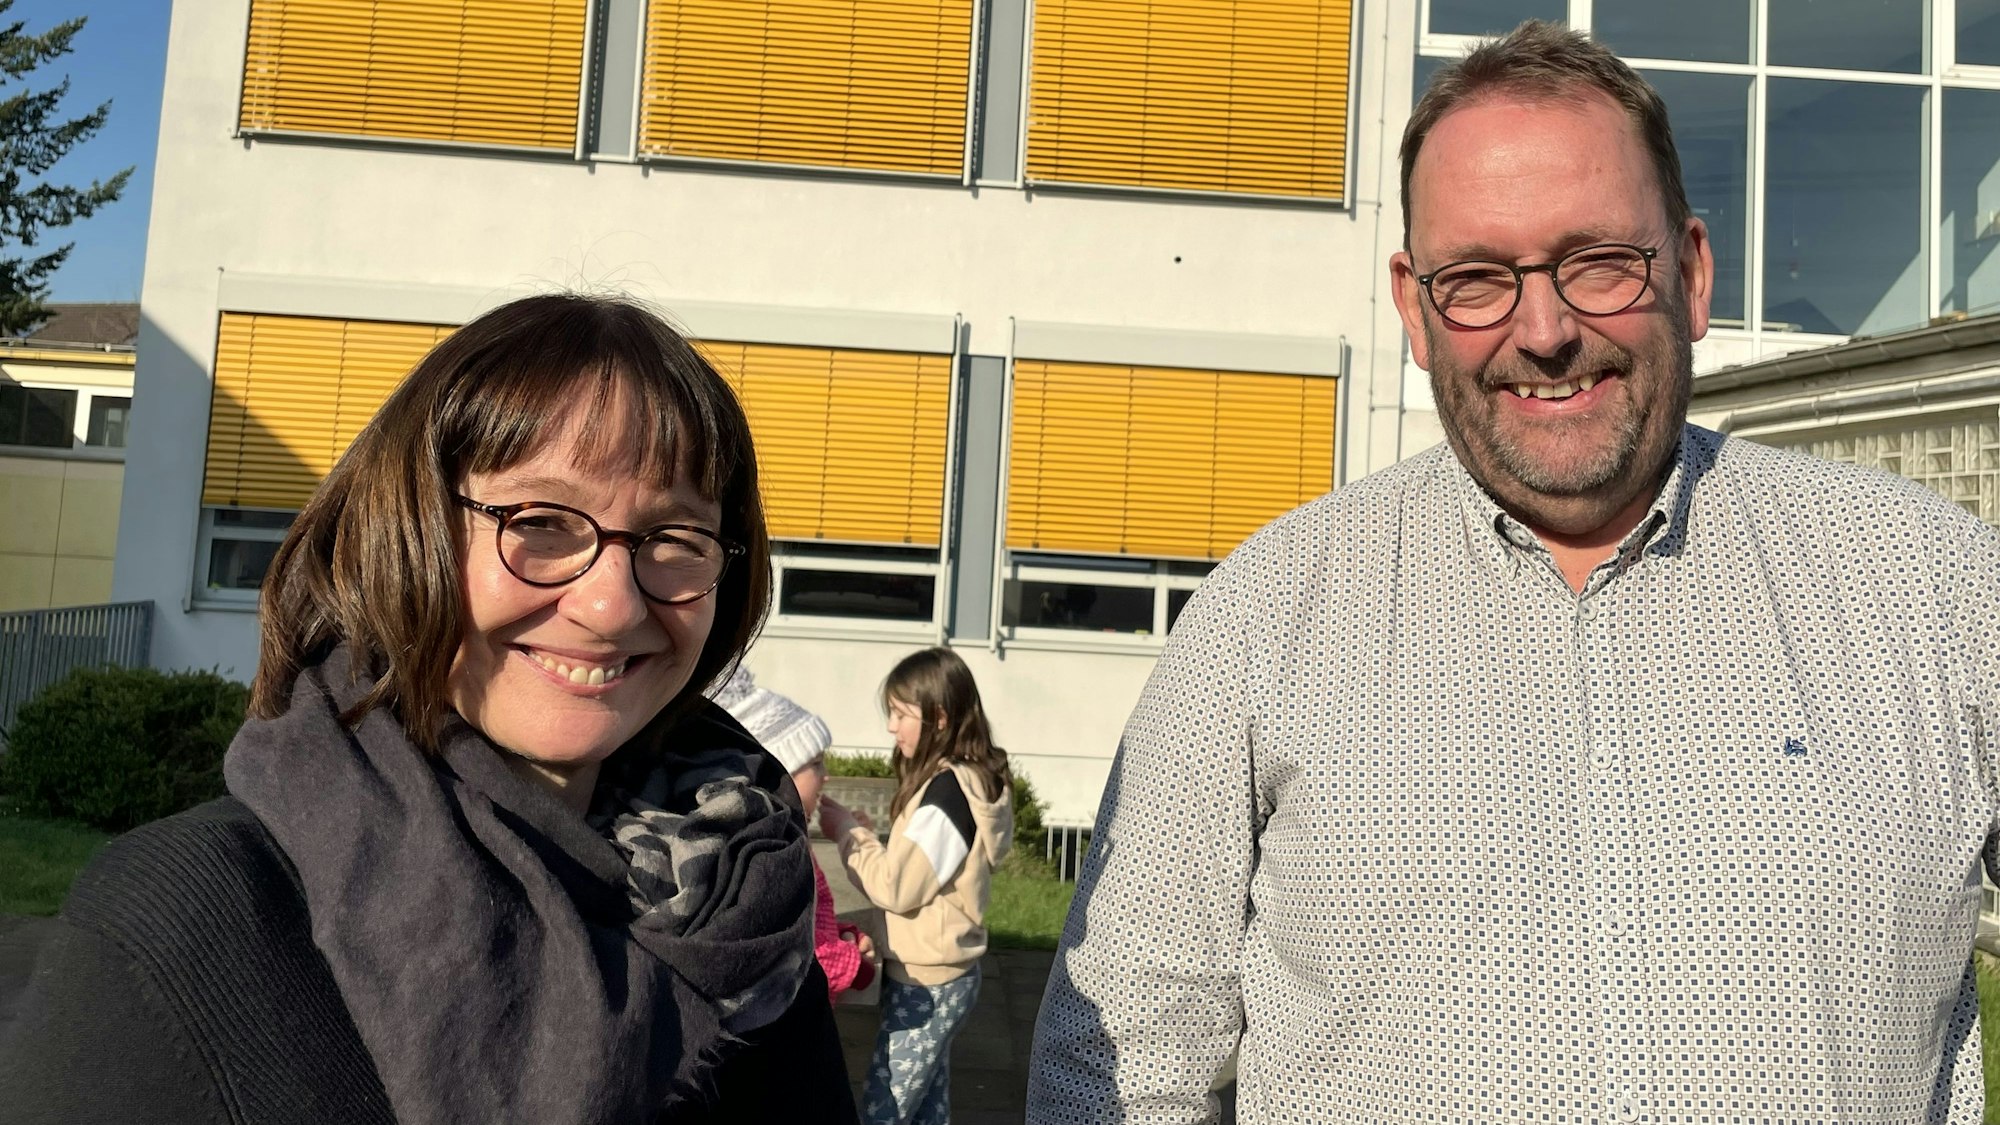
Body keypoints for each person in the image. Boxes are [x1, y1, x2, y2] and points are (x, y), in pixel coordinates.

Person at [1029, 21, 2000, 1125]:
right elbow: (1120, 1063)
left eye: (1595, 263)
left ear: (1687, 273)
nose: (1541, 330)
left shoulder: (1938, 589)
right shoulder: (1263, 617)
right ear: (1412, 305)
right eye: (1479, 279)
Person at [0, 294, 858, 1124]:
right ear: (404, 528)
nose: (613, 606)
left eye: (674, 538)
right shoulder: (188, 927)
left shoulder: (745, 890)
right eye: (543, 521)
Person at [819, 647, 1015, 1125]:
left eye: (901, 714)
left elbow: (897, 888)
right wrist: (872, 836)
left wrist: (848, 831)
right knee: (927, 1107)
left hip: (929, 983)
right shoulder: (955, 784)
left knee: (884, 1110)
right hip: (941, 973)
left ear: (940, 717)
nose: (891, 726)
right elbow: (924, 871)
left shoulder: (947, 795)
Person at [711, 663, 880, 1004]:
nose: (826, 776)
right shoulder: (773, 854)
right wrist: (857, 965)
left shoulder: (789, 836)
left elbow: (814, 925)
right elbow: (799, 954)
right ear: (778, 771)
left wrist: (843, 934)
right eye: (816, 763)